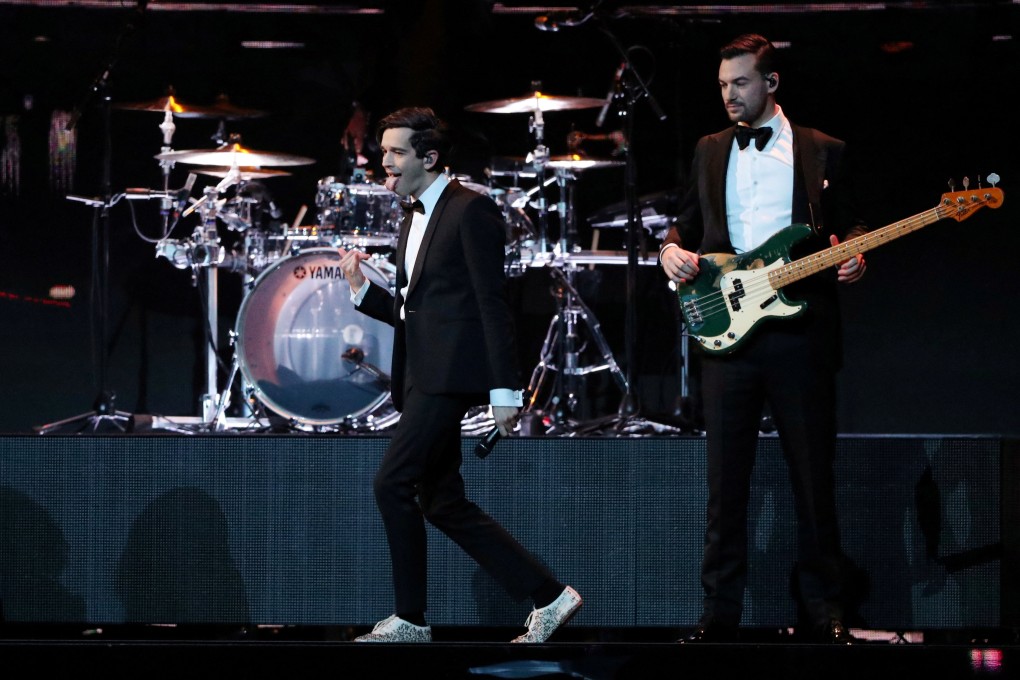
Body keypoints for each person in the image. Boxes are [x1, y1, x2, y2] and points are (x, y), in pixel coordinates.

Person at [336, 106, 582, 643]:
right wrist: (362, 291)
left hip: (448, 378)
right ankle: (549, 595)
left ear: (429, 157)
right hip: (421, 374)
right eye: (384, 152)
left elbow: (492, 306)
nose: (386, 163)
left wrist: (505, 389)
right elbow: (418, 309)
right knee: (442, 502)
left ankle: (411, 619)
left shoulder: (471, 211)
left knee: (391, 484)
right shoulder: (410, 218)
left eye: (396, 153)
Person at [659, 34, 868, 644]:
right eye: (723, 84)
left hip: (800, 332)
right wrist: (670, 249)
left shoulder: (824, 151)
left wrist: (855, 258)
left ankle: (826, 613)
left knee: (812, 478)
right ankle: (717, 617)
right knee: (725, 486)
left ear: (771, 84)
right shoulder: (707, 149)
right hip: (727, 331)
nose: (729, 94)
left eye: (741, 83)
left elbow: (851, 225)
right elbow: (685, 224)